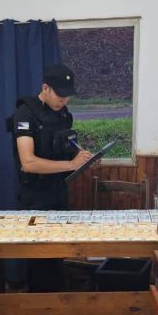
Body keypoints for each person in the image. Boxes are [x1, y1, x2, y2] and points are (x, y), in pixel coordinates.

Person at [10, 63, 92, 290]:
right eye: (60, 95)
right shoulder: (25, 114)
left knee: (58, 255)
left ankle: (56, 301)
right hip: (35, 198)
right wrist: (71, 164)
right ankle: (40, 305)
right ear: (45, 88)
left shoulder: (63, 114)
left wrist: (81, 156)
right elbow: (28, 163)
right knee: (40, 259)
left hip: (59, 194)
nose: (64, 100)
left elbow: (66, 147)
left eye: (67, 96)